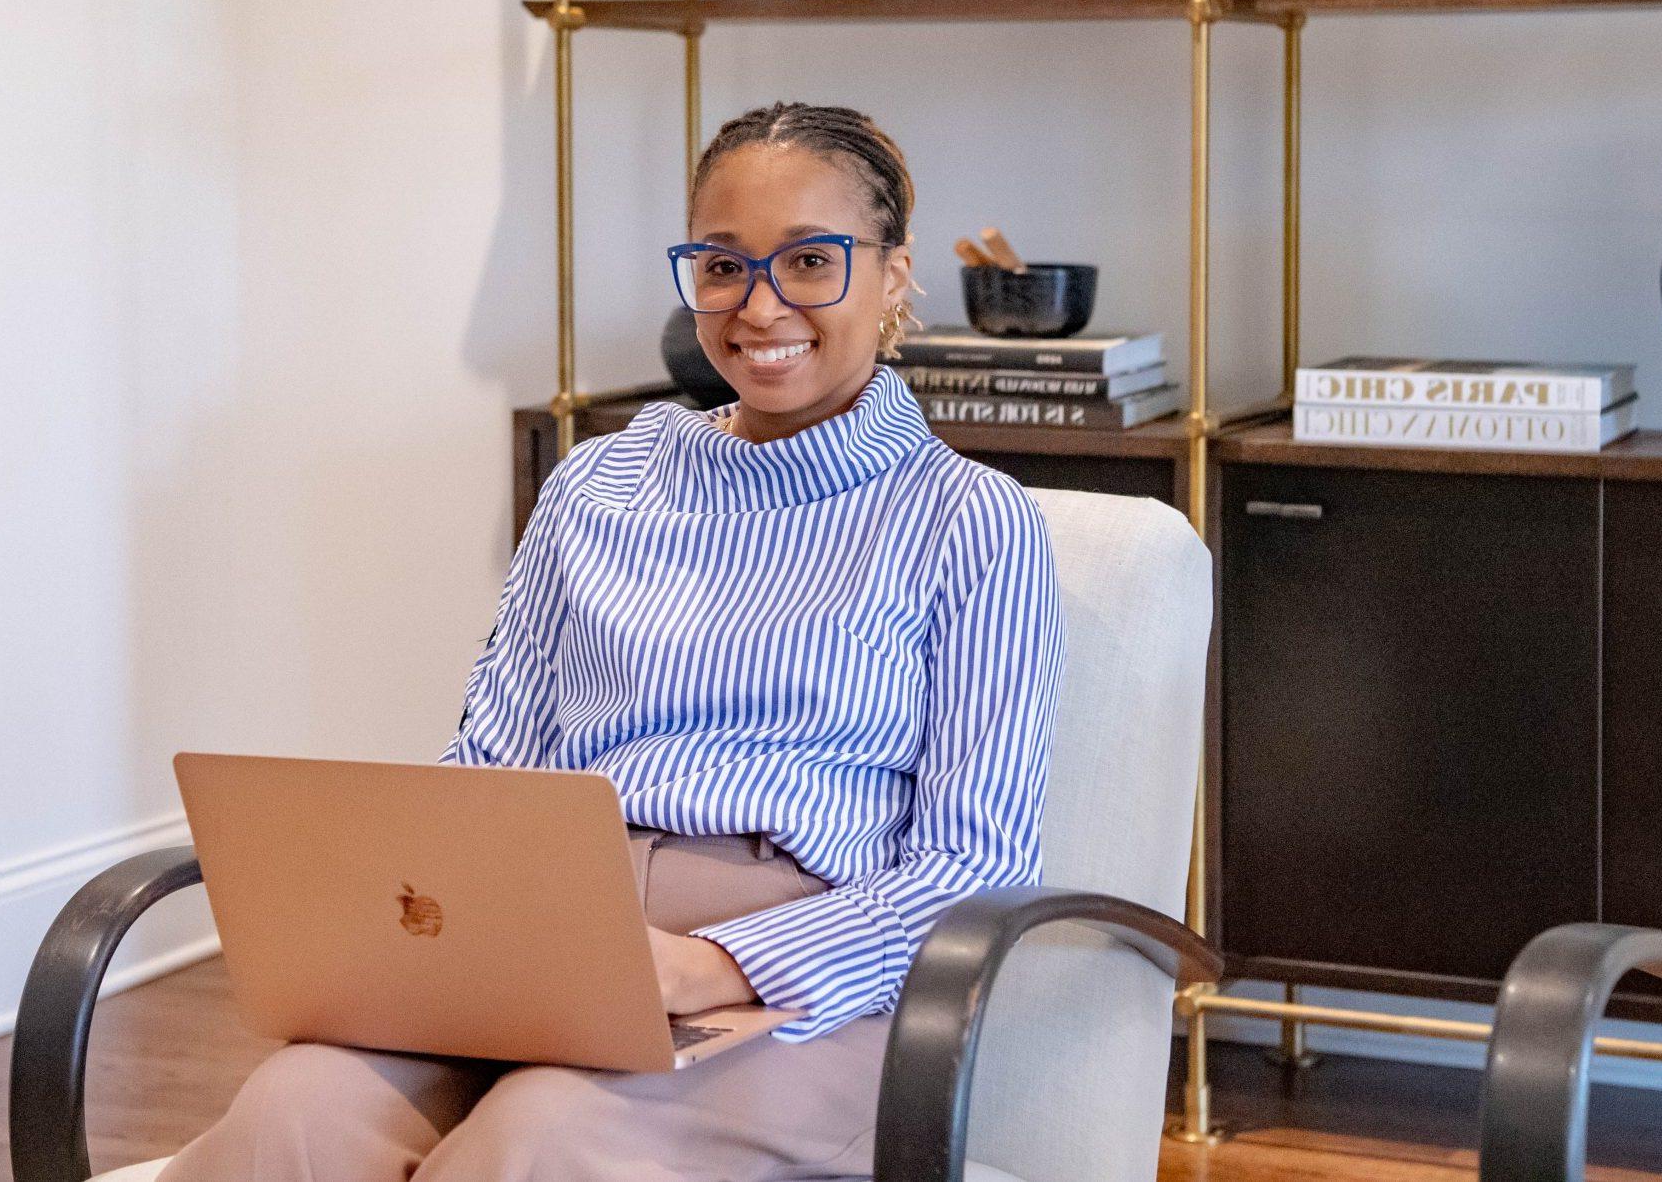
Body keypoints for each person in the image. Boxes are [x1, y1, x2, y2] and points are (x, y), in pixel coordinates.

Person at [158, 102, 1064, 1181]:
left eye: (810, 262)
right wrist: (425, 936)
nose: (760, 304)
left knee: (539, 1136)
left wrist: (707, 963)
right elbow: (489, 764)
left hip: (801, 982)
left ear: (893, 276)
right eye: (722, 266)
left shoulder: (970, 521)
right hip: (543, 933)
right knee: (290, 1113)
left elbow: (971, 868)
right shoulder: (598, 481)